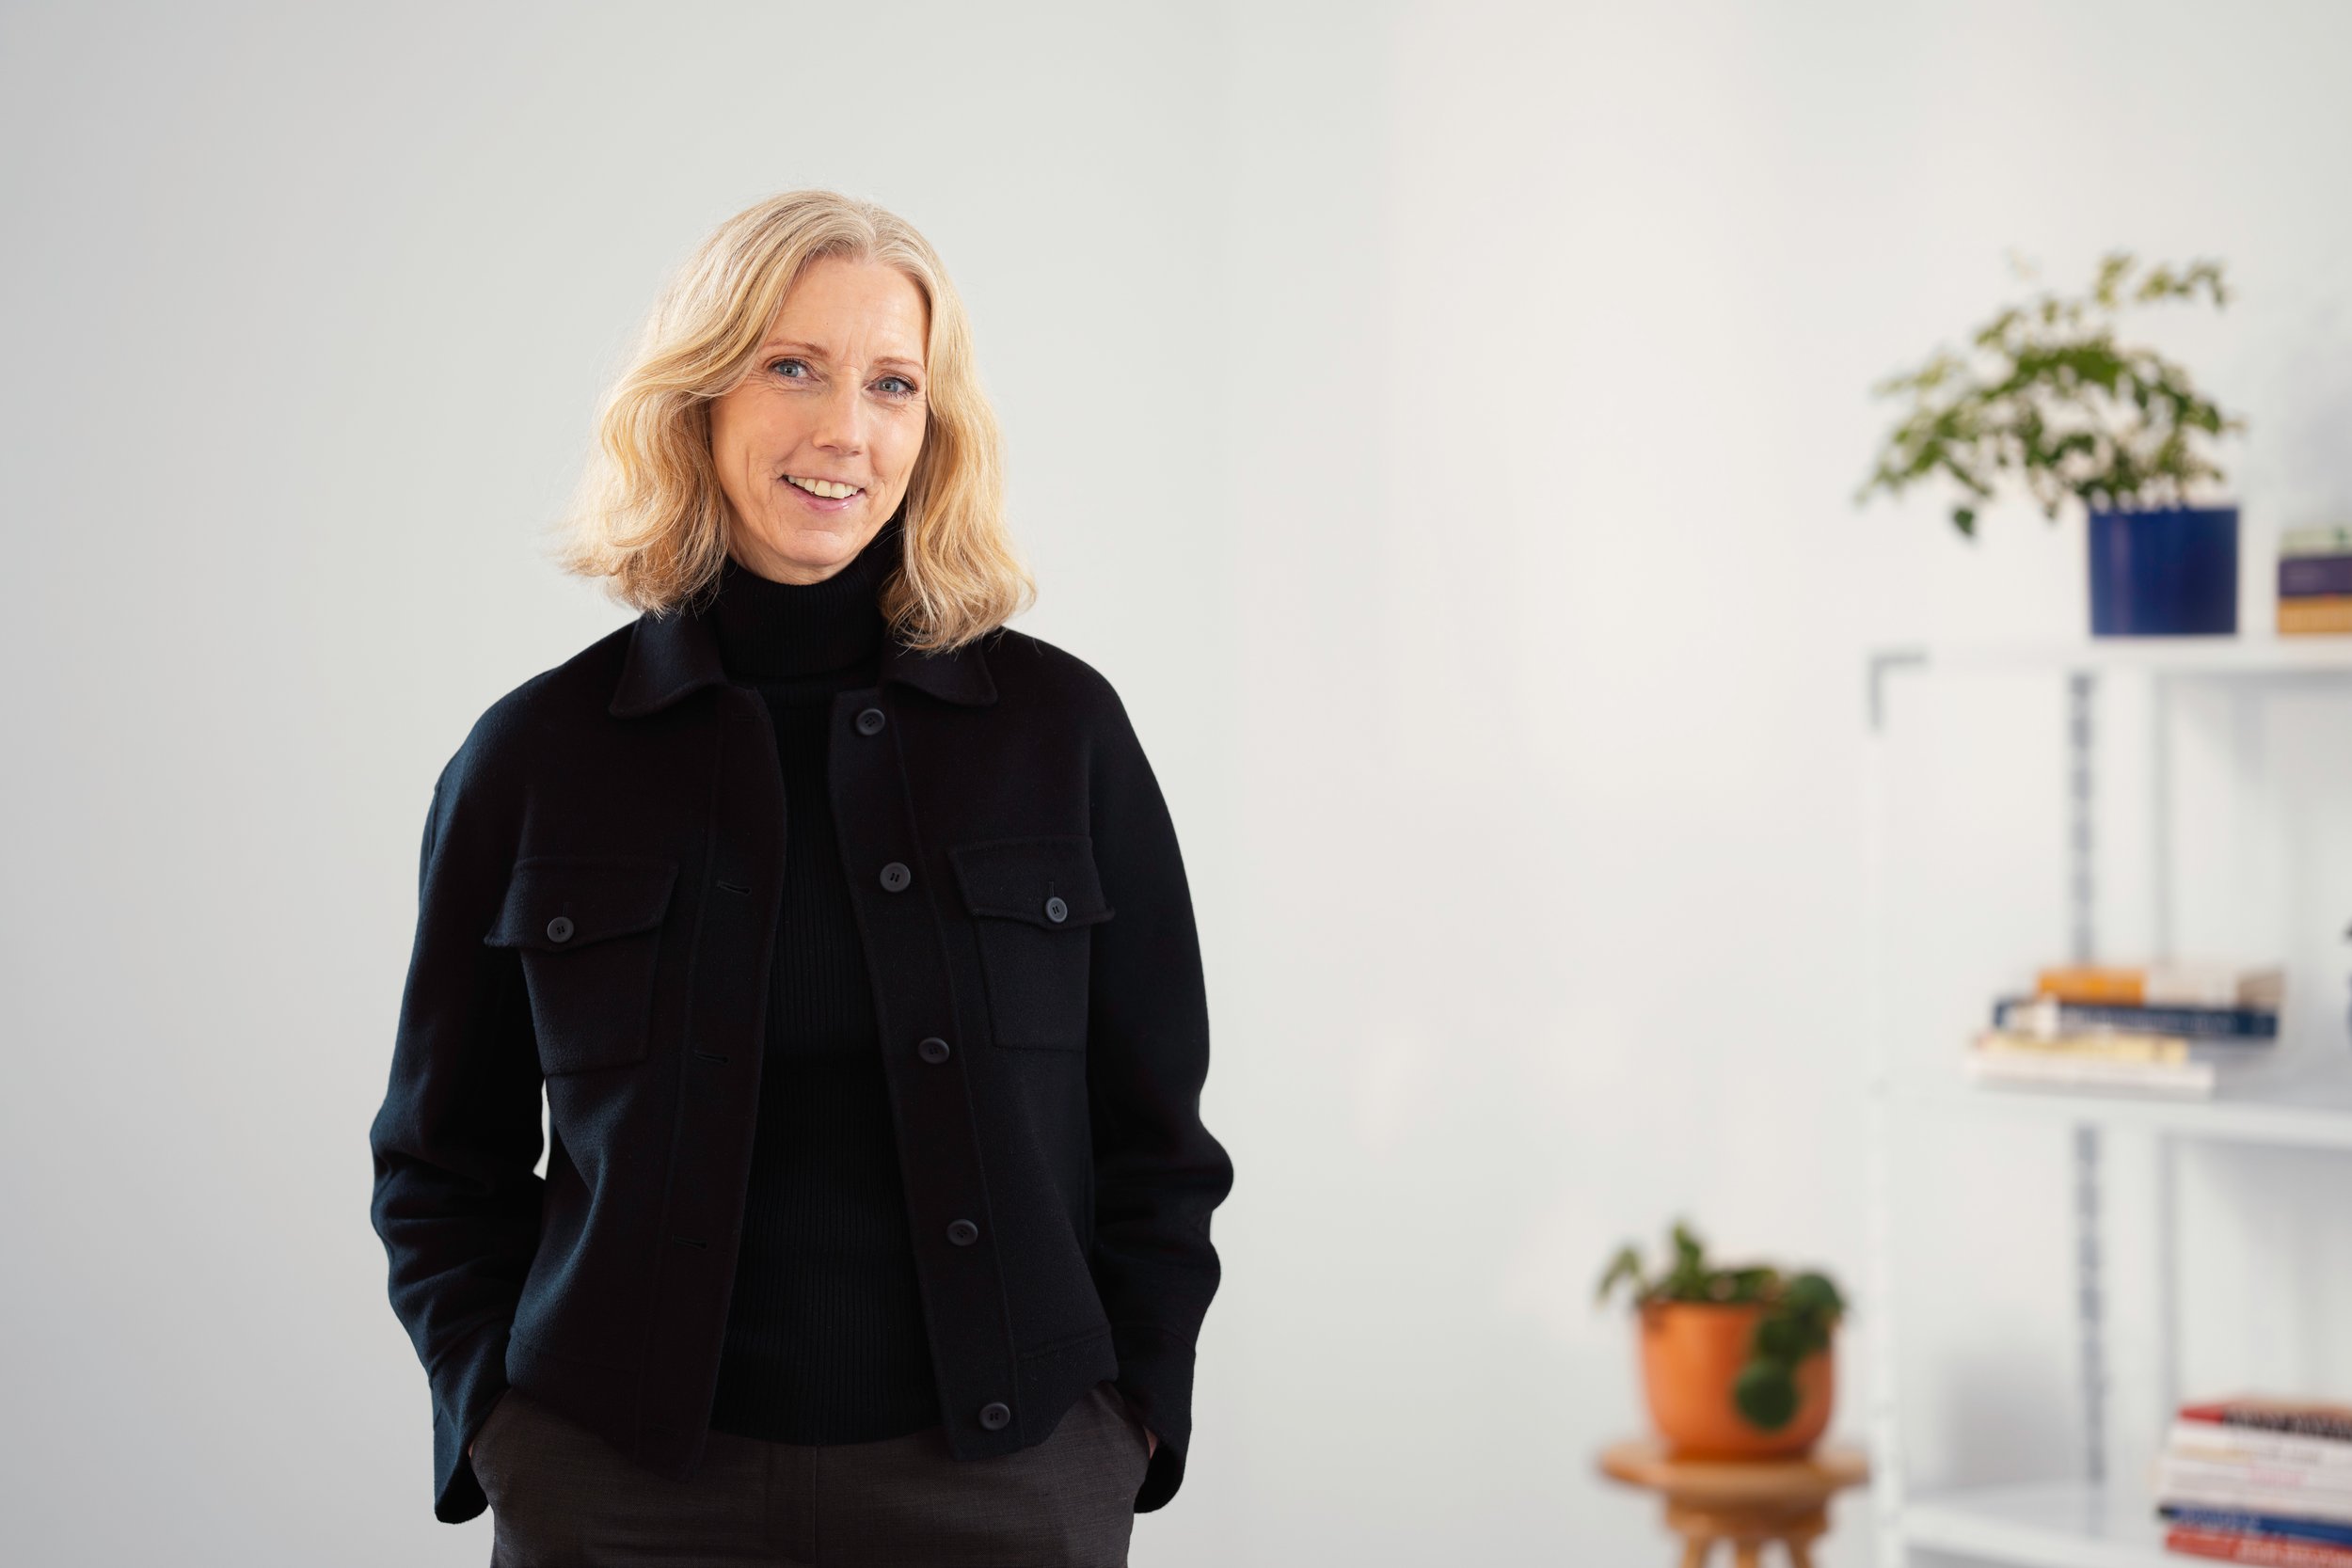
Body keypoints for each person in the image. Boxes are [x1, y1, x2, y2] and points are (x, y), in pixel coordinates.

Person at [367, 189, 1232, 1567]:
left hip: (1007, 1495)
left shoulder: (1060, 736)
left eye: (893, 384)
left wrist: (1122, 1428)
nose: (846, 429)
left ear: (933, 426)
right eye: (793, 367)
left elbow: (1158, 1141)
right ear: (697, 395)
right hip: (623, 1505)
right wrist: (502, 1430)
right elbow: (438, 1160)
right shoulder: (534, 758)